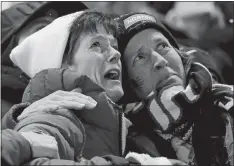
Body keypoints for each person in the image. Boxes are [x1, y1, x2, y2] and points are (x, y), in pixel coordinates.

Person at [3, 12, 233, 166]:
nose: (114, 54)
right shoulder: (60, 108)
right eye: (96, 45)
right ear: (62, 64)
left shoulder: (126, 123)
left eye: (113, 47)